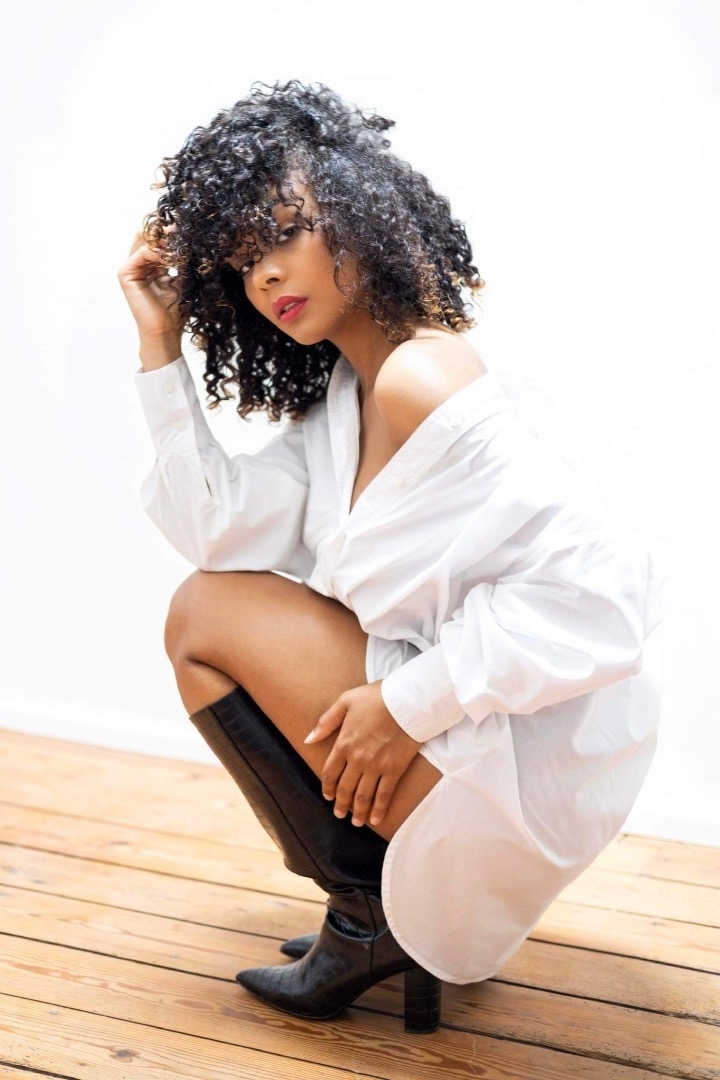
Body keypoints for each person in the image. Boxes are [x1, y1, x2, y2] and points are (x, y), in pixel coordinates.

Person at [118, 80, 664, 1035]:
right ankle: (370, 912)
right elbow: (215, 527)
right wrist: (160, 341)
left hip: (511, 767)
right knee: (206, 605)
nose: (265, 276)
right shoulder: (348, 395)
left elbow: (603, 596)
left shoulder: (418, 375)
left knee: (205, 613)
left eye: (285, 233)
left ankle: (369, 919)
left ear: (359, 210)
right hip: (464, 741)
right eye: (242, 261)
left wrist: (408, 704)